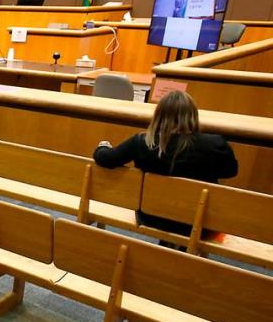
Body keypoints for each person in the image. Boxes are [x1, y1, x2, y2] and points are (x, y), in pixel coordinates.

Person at [93, 90, 238, 240]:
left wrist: (103, 146)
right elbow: (231, 171)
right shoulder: (215, 145)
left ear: (159, 115)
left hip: (152, 218)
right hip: (199, 224)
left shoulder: (143, 142)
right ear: (193, 115)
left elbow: (106, 159)